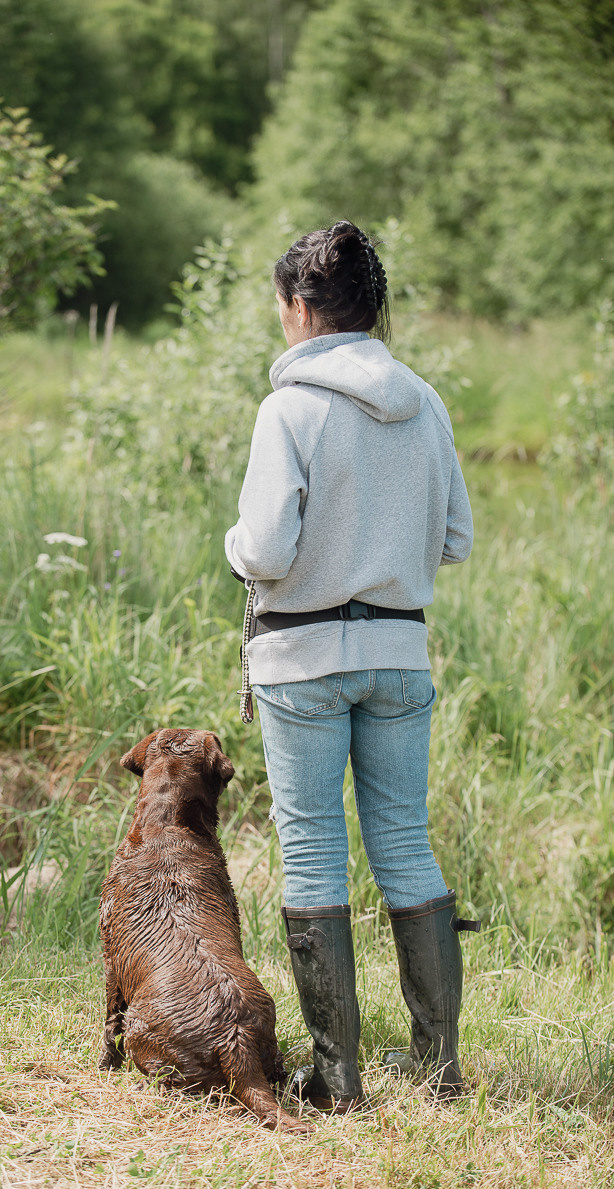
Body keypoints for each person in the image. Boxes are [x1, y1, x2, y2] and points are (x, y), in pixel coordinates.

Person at [225, 221, 477, 1113]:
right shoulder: (426, 402)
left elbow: (263, 549)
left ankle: (337, 1079)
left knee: (313, 847)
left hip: (302, 661)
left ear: (300, 308)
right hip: (400, 655)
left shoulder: (288, 410)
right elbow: (455, 539)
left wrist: (233, 545)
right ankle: (438, 1070)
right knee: (404, 838)